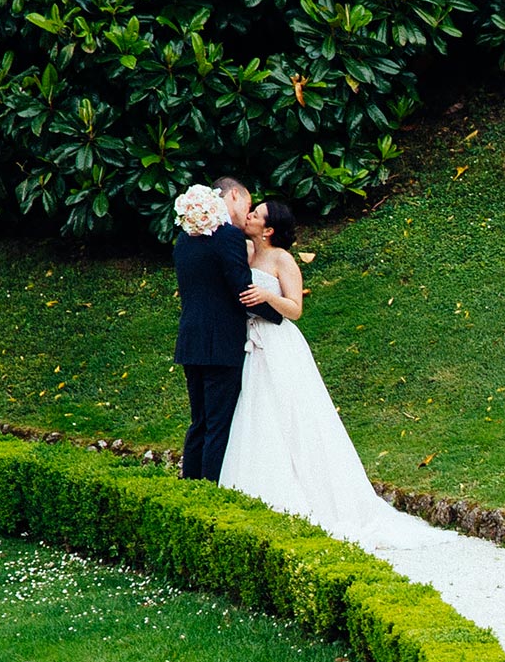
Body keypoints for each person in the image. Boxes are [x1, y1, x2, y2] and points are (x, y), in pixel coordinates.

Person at [215, 200, 431, 549]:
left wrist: (268, 296)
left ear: (269, 230)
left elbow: (296, 309)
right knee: (257, 411)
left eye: (257, 214)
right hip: (249, 342)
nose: (250, 215)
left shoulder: (282, 259)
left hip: (278, 341)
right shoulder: (243, 251)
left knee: (292, 413)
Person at [172, 176, 278, 483]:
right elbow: (241, 290)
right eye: (248, 204)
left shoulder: (186, 238)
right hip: (221, 344)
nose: (248, 214)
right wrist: (278, 316)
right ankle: (210, 492)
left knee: (200, 423)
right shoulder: (228, 236)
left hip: (191, 341)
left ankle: (189, 490)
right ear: (233, 195)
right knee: (219, 425)